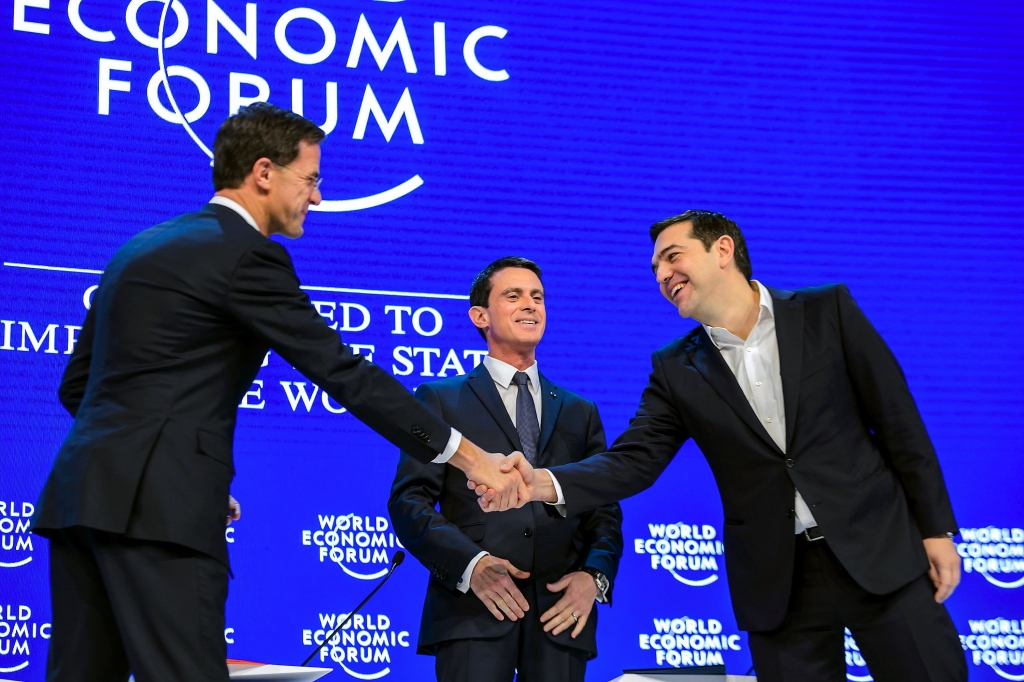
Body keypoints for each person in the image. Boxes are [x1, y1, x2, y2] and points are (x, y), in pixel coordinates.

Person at [30, 103, 519, 682]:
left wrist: (167, 459)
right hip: (161, 515)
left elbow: (78, 386)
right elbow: (344, 373)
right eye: (310, 179)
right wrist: (470, 458)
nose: (316, 197)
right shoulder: (248, 255)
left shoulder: (139, 247)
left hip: (81, 500)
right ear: (264, 172)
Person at [476, 211, 967, 681]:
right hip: (779, 584)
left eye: (672, 257)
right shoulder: (675, 368)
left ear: (723, 250)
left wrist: (935, 529)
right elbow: (634, 462)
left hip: (879, 550)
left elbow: (899, 422)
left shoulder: (827, 310)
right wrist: (540, 482)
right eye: (656, 269)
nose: (663, 275)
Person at [388, 257, 623, 682]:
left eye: (537, 297)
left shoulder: (580, 412)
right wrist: (471, 565)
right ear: (480, 315)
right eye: (512, 296)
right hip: (473, 612)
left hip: (560, 615)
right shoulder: (441, 400)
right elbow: (410, 501)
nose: (530, 305)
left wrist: (594, 577)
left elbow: (603, 509)